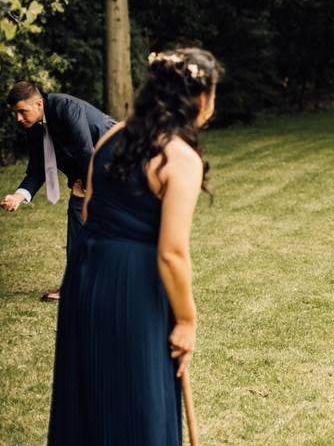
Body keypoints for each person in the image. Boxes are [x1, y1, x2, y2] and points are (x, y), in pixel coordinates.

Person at [48, 48, 222, 445]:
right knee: (138, 399)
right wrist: (186, 321)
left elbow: (89, 208)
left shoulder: (112, 135)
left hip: (86, 274)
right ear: (199, 98)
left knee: (90, 393)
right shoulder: (180, 157)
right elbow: (172, 251)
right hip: (135, 285)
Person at [2, 83, 115, 301]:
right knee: (77, 216)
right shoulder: (35, 127)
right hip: (89, 167)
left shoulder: (65, 107)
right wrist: (18, 196)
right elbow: (37, 170)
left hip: (115, 158)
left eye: (22, 111)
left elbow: (84, 149)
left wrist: (91, 185)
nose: (18, 118)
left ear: (38, 103)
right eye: (15, 113)